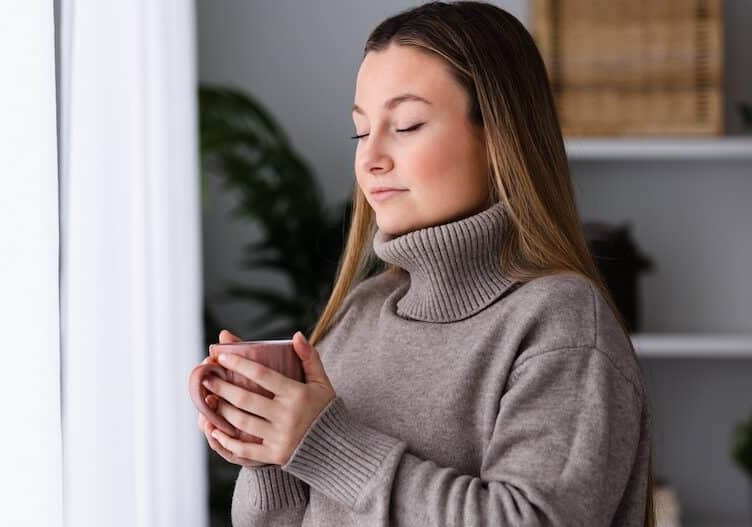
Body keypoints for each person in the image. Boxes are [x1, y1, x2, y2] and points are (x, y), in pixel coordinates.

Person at [195, 1, 654, 525]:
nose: (370, 159)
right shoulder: (358, 315)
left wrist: (324, 445)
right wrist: (270, 448)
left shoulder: (561, 322)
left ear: (500, 138)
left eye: (408, 124)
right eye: (361, 131)